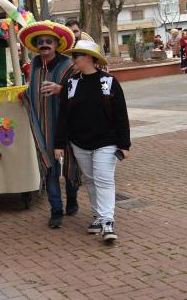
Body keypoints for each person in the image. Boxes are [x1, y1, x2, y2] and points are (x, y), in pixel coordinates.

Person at [55, 40, 131, 243]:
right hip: (79, 142)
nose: (73, 60)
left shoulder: (109, 82)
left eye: (76, 56)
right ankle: (98, 216)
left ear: (89, 57)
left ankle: (107, 221)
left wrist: (125, 144)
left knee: (104, 180)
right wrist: (59, 144)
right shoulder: (70, 84)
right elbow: (63, 116)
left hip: (106, 141)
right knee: (90, 181)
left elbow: (121, 115)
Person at [19, 21, 79, 228]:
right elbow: (33, 89)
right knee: (49, 166)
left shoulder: (68, 65)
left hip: (66, 126)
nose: (44, 45)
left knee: (70, 165)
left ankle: (72, 197)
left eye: (48, 41)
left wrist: (60, 89)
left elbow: (79, 92)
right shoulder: (35, 65)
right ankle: (56, 210)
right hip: (43, 128)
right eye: (40, 42)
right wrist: (24, 95)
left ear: (56, 44)